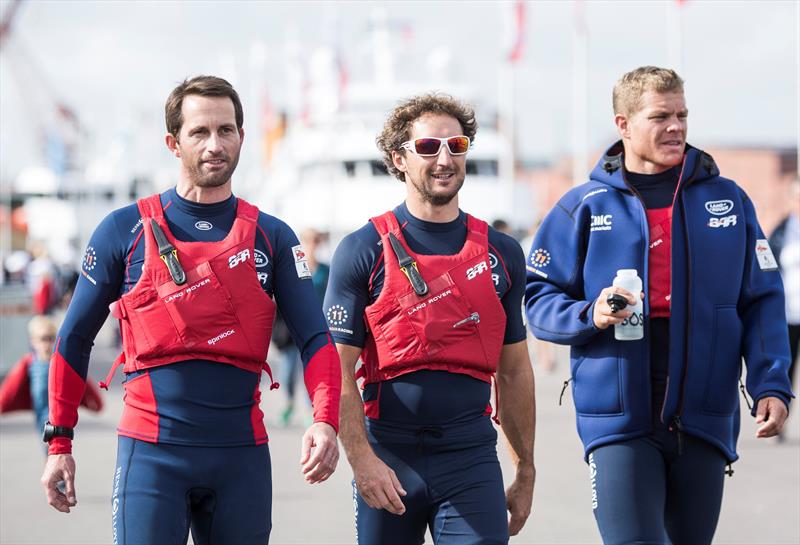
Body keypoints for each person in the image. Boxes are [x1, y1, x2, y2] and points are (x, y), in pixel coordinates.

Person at [39, 76, 342, 545]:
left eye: (226, 130)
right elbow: (74, 337)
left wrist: (324, 419)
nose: (215, 144)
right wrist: (59, 442)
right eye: (199, 132)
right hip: (151, 457)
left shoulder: (274, 237)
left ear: (242, 137)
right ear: (173, 142)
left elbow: (317, 338)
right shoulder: (124, 230)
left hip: (241, 457)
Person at [525, 66, 794, 545]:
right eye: (660, 116)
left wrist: (771, 382)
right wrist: (592, 315)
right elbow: (539, 299)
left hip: (704, 414)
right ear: (623, 124)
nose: (676, 126)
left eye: (682, 114)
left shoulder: (728, 201)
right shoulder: (582, 205)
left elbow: (762, 300)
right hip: (618, 417)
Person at [325, 93, 535, 545]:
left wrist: (526, 469)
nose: (444, 159)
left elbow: (515, 370)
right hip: (388, 455)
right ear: (399, 158)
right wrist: (362, 460)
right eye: (428, 148)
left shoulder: (502, 253)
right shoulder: (361, 250)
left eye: (456, 146)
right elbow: (336, 368)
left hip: (470, 457)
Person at [0, 315, 102, 448]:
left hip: (59, 424)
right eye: (43, 339)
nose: (47, 344)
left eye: (51, 338)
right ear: (33, 341)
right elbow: (8, 391)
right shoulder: (29, 364)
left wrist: (92, 403)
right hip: (42, 424)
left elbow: (81, 381)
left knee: (54, 457)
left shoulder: (61, 362)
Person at [277, 227, 330, 426]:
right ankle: (289, 404)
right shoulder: (293, 266)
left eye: (315, 241)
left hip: (316, 329)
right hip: (291, 330)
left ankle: (311, 411)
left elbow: (331, 298)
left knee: (312, 371)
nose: (312, 245)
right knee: (288, 371)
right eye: (308, 241)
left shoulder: (326, 270)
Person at [769, 179, 800, 403]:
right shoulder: (781, 231)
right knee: (786, 368)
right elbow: (767, 269)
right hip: (789, 312)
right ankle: (782, 412)